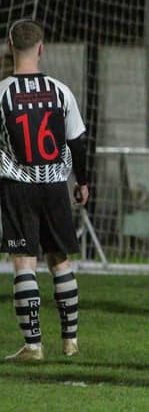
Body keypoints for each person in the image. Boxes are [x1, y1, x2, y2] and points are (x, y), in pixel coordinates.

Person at [0, 19, 89, 361]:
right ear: (41, 48)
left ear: (10, 47)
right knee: (60, 261)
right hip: (53, 184)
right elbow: (77, 142)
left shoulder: (3, 92)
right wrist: (82, 181)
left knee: (24, 261)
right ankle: (71, 341)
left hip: (18, 186)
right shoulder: (59, 90)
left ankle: (34, 346)